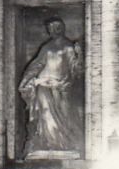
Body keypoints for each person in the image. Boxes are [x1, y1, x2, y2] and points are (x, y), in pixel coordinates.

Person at [18, 17, 84, 156]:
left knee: (65, 114)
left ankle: (64, 144)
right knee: (45, 112)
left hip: (62, 85)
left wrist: (80, 55)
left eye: (58, 27)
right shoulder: (46, 47)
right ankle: (47, 143)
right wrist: (27, 79)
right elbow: (38, 64)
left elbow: (75, 69)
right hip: (43, 83)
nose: (55, 30)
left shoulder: (69, 47)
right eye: (51, 28)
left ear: (63, 27)